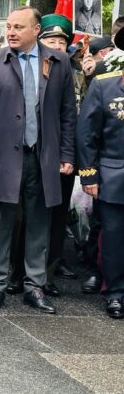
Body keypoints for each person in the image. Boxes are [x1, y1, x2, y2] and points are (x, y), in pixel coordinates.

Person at [0, 6, 76, 314]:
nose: (11, 32)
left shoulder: (59, 61)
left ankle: (35, 286)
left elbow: (67, 113)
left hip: (43, 156)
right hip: (3, 157)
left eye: (18, 27)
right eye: (9, 26)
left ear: (36, 30)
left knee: (39, 222)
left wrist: (67, 154)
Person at [77, 66, 124, 319]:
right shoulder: (104, 85)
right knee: (114, 238)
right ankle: (115, 292)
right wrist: (89, 174)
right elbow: (87, 133)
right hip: (114, 176)